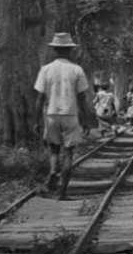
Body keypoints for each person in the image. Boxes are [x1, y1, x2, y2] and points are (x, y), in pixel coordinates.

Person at [33, 32, 93, 200]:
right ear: (70, 50)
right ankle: (63, 193)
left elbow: (40, 97)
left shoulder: (45, 69)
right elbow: (82, 97)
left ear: (54, 50)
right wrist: (86, 120)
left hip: (51, 114)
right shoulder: (77, 70)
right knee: (68, 153)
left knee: (54, 148)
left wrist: (36, 121)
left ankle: (53, 171)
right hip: (70, 114)